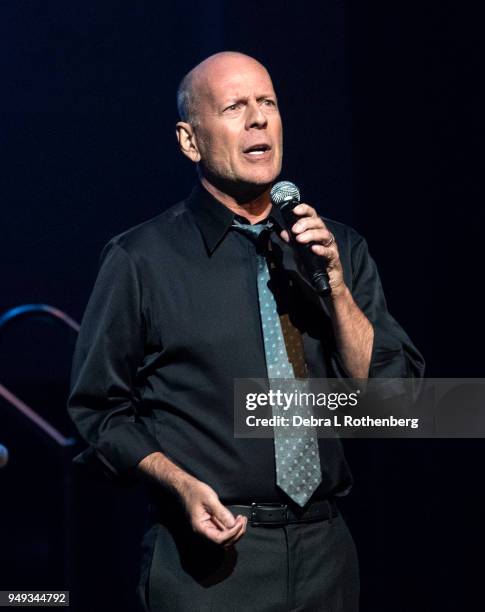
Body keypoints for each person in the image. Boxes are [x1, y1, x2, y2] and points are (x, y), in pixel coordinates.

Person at [68, 51, 424, 611]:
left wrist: (333, 285)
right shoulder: (142, 259)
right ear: (191, 141)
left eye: (268, 104)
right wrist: (178, 484)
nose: (259, 119)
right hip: (210, 562)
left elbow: (393, 404)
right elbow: (99, 410)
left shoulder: (338, 249)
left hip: (326, 551)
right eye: (235, 107)